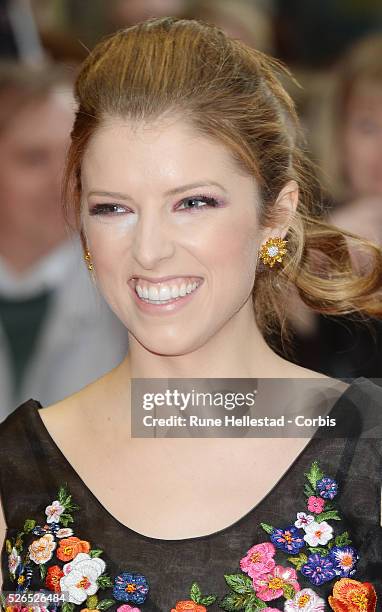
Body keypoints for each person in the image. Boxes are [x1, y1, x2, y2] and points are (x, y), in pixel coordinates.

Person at [0, 17, 381, 611]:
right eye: (113, 208)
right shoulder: (15, 471)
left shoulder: (367, 446)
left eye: (192, 202)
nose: (149, 249)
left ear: (276, 216)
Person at [0, 62, 129, 420]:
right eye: (34, 158)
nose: (63, 183)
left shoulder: (134, 280)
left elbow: (257, 410)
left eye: (76, 159)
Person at [284, 33, 382, 379]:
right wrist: (315, 259)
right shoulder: (301, 218)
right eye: (367, 126)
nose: (380, 148)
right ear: (338, 130)